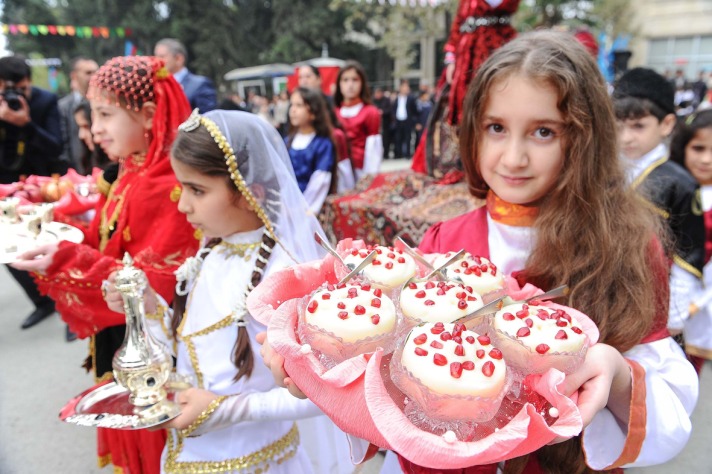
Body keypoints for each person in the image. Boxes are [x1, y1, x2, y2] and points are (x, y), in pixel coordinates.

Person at [263, 30, 700, 472]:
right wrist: (319, 371)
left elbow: (670, 412)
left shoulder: (628, 246)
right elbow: (389, 389)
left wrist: (618, 375)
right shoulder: (442, 245)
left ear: (586, 139)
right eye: (496, 128)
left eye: (543, 132)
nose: (513, 158)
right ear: (472, 131)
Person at [104, 109, 352, 473]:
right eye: (182, 188)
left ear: (251, 192)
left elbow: (323, 392)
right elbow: (191, 353)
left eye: (197, 190)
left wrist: (226, 409)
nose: (183, 205)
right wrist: (147, 306)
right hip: (189, 456)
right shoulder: (212, 251)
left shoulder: (285, 275)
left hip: (259, 462)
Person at [12, 56, 199, 474]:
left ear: (148, 116)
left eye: (105, 114)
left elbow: (150, 283)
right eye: (92, 114)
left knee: (159, 449)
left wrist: (63, 258)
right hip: (120, 336)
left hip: (153, 347)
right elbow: (102, 244)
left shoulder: (170, 184)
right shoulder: (133, 169)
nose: (94, 129)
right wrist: (50, 238)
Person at [613, 67, 706, 336]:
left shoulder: (680, 183)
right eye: (618, 126)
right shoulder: (609, 171)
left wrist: (675, 313)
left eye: (638, 126)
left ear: (666, 124)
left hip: (655, 297)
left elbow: (689, 254)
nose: (626, 137)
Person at [411, 0, 520, 176]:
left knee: (499, 103)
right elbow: (457, 24)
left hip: (500, 51)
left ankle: (496, 157)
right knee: (463, 105)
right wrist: (451, 57)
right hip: (467, 55)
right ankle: (465, 158)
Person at [0, 55, 64, 330]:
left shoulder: (46, 101)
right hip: (8, 186)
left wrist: (25, 123)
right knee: (9, 248)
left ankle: (71, 300)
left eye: (21, 89)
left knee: (58, 241)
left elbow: (55, 146)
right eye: (8, 89)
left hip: (46, 184)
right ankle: (42, 302)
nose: (15, 95)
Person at [670, 109, 712, 373]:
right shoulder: (666, 187)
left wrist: (697, 301)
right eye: (698, 148)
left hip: (701, 303)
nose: (706, 159)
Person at [285, 86, 336, 214]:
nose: (293, 110)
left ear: (313, 112)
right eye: (291, 105)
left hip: (309, 206)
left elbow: (320, 181)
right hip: (286, 204)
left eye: (299, 105)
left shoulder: (322, 144)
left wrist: (304, 209)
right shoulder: (287, 141)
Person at [334, 61, 382, 179]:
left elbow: (373, 150)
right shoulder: (333, 113)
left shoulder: (371, 112)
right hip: (337, 172)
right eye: (345, 80)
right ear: (339, 84)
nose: (350, 85)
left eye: (355, 80)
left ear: (362, 83)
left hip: (361, 171)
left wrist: (369, 178)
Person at [58, 57, 98, 174]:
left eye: (96, 72)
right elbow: (63, 145)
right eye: (88, 73)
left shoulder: (105, 103)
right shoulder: (63, 107)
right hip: (74, 171)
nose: (93, 76)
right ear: (74, 76)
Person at [154, 38, 217, 113]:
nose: (156, 61)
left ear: (178, 59)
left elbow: (209, 120)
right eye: (155, 57)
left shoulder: (199, 85)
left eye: (162, 56)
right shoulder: (156, 86)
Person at [391, 79, 418, 159]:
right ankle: (398, 154)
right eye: (404, 87)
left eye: (407, 87)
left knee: (408, 137)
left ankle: (407, 154)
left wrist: (414, 121)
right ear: (400, 87)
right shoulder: (396, 98)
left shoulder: (411, 98)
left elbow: (414, 110)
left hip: (407, 120)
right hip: (398, 120)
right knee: (398, 137)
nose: (405, 88)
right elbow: (393, 109)